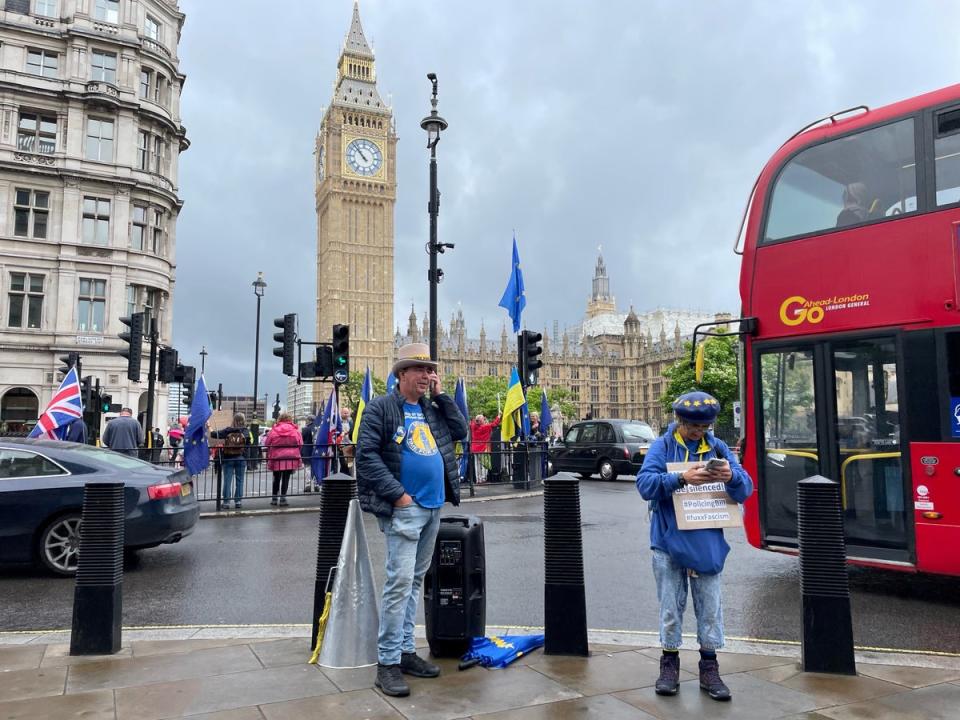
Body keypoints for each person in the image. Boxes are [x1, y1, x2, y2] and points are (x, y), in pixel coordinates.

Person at [356, 342, 468, 698]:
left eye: (430, 371)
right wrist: (399, 496)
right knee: (399, 584)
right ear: (401, 374)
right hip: (406, 508)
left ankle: (405, 652)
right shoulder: (382, 408)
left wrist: (442, 395)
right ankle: (387, 663)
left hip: (433, 507)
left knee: (414, 582)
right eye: (420, 370)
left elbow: (460, 431)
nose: (426, 375)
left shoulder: (431, 409)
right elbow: (366, 456)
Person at [636, 391, 753, 702]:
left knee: (710, 611)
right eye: (694, 428)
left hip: (706, 544)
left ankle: (709, 668)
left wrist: (731, 476)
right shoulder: (663, 446)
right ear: (679, 421)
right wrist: (680, 479)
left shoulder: (718, 447)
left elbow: (745, 489)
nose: (700, 432)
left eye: (705, 427)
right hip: (668, 542)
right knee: (671, 610)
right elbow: (645, 485)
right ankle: (669, 665)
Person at [209, 413, 250, 510]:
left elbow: (214, 434)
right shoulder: (245, 431)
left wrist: (209, 427)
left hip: (228, 458)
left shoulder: (228, 430)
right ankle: (238, 502)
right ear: (243, 420)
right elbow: (249, 443)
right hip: (240, 458)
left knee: (227, 481)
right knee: (240, 481)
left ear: (234, 420)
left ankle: (226, 502)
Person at [265, 413, 302, 506]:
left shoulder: (274, 430)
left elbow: (267, 443)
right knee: (286, 478)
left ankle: (274, 498)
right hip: (290, 457)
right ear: (290, 419)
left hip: (277, 457)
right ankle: (283, 498)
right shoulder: (295, 430)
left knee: (276, 478)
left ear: (280, 419)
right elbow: (300, 443)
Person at [468, 414, 500, 484]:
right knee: (485, 464)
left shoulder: (473, 426)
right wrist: (498, 416)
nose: (484, 420)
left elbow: (472, 422)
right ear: (481, 421)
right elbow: (494, 424)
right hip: (482, 448)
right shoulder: (484, 427)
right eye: (483, 419)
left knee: (477, 465)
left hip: (474, 448)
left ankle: (478, 479)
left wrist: (477, 420)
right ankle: (483, 478)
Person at [337, 406, 354, 474]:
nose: (346, 414)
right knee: (343, 463)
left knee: (349, 464)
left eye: (347, 413)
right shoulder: (338, 422)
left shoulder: (350, 421)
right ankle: (343, 477)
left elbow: (352, 432)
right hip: (341, 445)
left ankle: (349, 478)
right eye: (345, 413)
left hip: (349, 445)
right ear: (341, 413)